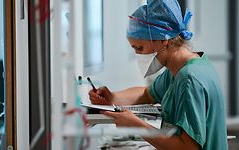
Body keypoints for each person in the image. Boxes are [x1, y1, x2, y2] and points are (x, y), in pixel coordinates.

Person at [88, 0, 228, 149]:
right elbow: (147, 93)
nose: (137, 54)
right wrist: (113, 98)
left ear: (163, 40)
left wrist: (137, 125)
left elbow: (188, 147)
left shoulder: (189, 79)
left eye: (139, 48)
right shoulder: (180, 69)